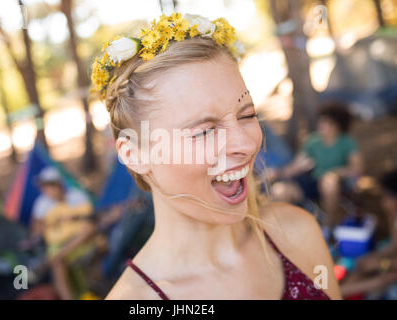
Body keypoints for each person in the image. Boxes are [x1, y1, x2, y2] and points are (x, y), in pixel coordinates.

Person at [91, 13, 341, 300]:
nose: (246, 144)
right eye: (205, 131)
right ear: (134, 154)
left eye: (247, 115)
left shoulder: (297, 233)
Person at [269, 102, 363, 232]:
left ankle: (328, 227)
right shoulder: (312, 141)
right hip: (312, 182)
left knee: (329, 181)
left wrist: (334, 173)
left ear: (337, 125)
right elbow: (297, 165)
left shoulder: (346, 142)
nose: (321, 125)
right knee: (279, 190)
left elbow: (357, 168)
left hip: (338, 185)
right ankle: (287, 231)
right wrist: (280, 172)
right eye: (321, 121)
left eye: (327, 122)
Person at [30, 167, 95, 300]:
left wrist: (72, 218)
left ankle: (56, 257)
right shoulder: (41, 204)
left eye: (48, 186)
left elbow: (90, 218)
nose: (46, 191)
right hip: (58, 243)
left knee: (88, 230)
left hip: (79, 240)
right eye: (44, 187)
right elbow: (35, 230)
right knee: (58, 264)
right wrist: (48, 224)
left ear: (58, 185)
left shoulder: (76, 196)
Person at [339, 169, 397, 298]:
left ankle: (334, 294)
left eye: (387, 197)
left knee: (381, 281)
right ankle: (337, 292)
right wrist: (376, 258)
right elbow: (394, 244)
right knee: (363, 266)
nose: (383, 202)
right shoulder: (393, 215)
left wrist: (382, 264)